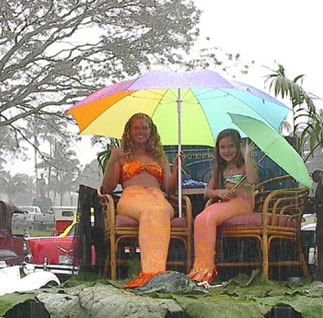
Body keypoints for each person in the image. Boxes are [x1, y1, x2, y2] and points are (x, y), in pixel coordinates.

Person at [100, 113, 182, 288]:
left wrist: (176, 169)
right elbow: (107, 188)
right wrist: (113, 161)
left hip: (158, 196)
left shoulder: (159, 157)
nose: (141, 131)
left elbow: (170, 188)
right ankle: (153, 275)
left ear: (151, 131)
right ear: (129, 131)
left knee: (159, 210)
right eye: (136, 127)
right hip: (132, 197)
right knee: (151, 210)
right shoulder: (122, 155)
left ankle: (155, 273)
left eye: (144, 127)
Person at [187, 129, 259, 285]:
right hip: (225, 204)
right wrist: (220, 192)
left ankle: (205, 271)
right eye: (223, 147)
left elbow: (253, 181)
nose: (227, 151)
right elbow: (208, 193)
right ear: (218, 149)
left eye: (231, 146)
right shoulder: (220, 169)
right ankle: (201, 268)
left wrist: (247, 156)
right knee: (201, 218)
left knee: (208, 217)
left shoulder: (245, 165)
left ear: (239, 147)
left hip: (243, 203)